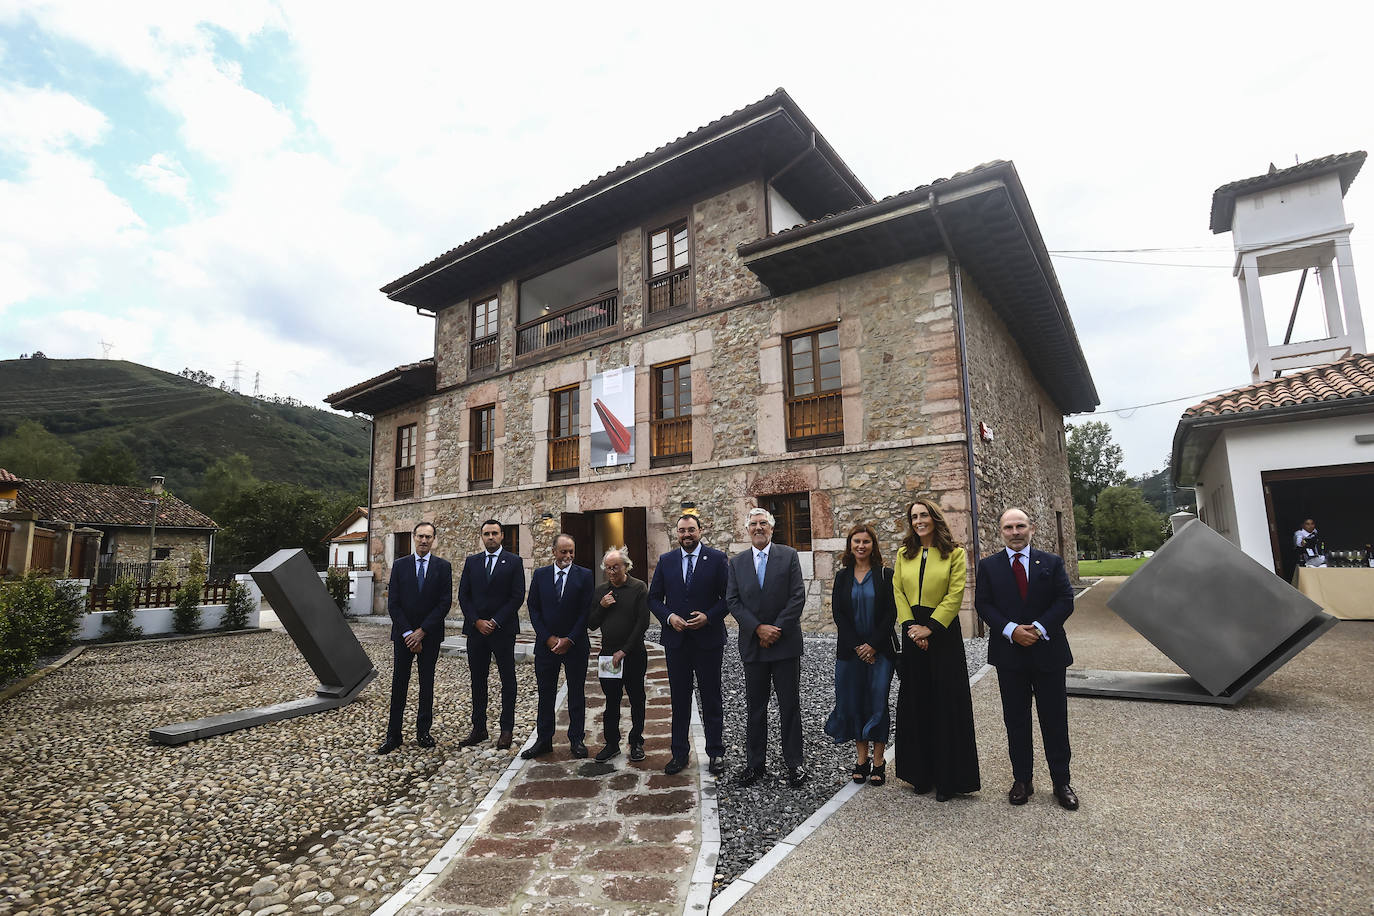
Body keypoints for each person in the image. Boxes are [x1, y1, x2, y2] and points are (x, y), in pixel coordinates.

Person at [975, 507, 1078, 811]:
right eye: (1009, 527)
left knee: (1055, 720)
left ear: (1031, 528)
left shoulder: (1051, 563)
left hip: (1048, 653)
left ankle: (1061, 782)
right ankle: (1022, 780)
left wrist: (1039, 628)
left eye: (1020, 526)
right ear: (1001, 531)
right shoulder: (989, 566)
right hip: (1010, 656)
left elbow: (1065, 600)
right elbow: (983, 604)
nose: (1015, 532)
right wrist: (1010, 630)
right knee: (1016, 721)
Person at [893, 498, 980, 800]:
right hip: (912, 632)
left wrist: (929, 627)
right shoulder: (905, 553)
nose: (919, 521)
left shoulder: (954, 554)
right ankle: (920, 774)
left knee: (945, 704)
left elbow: (956, 594)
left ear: (934, 518)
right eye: (914, 516)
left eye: (924, 515)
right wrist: (911, 628)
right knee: (917, 702)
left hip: (942, 634)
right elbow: (898, 591)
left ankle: (948, 779)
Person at [726, 507, 807, 788]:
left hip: (785, 644)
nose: (758, 528)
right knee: (755, 708)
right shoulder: (737, 563)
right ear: (747, 530)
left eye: (763, 523)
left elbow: (797, 596)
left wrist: (776, 629)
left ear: (772, 528)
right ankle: (755, 764)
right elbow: (733, 601)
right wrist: (758, 628)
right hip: (754, 645)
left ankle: (794, 764)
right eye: (753, 524)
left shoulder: (789, 556)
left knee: (790, 706)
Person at [648, 513, 730, 776]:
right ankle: (679, 753)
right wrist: (669, 617)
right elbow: (654, 599)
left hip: (708, 641)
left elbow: (728, 597)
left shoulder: (717, 559)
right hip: (677, 642)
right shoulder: (666, 561)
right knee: (680, 699)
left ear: (701, 530)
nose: (686, 535)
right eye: (682, 531)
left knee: (711, 698)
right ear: (677, 534)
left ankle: (716, 753)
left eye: (691, 530)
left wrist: (709, 616)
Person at [824, 523, 897, 787]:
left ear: (873, 546)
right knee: (853, 702)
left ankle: (879, 762)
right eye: (856, 542)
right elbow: (839, 614)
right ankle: (861, 759)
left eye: (866, 542)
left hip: (880, 652)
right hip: (850, 652)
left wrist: (873, 646)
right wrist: (858, 646)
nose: (861, 546)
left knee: (877, 702)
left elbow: (891, 613)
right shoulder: (842, 577)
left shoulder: (885, 576)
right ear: (850, 546)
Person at [377, 521, 452, 754]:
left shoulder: (443, 566)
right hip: (403, 636)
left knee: (426, 684)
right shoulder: (400, 566)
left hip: (429, 636)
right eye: (420, 536)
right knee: (399, 684)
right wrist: (409, 633)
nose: (424, 540)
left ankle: (423, 731)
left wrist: (422, 631)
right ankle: (394, 734)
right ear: (413, 537)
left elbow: (444, 603)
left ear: (434, 539)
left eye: (429, 537)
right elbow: (394, 603)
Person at [522, 533, 595, 759]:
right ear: (553, 551)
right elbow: (533, 608)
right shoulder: (541, 575)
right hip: (546, 646)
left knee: (576, 693)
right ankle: (544, 740)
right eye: (563, 551)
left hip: (575, 645)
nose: (568, 556)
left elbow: (586, 610)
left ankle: (576, 740)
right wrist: (548, 638)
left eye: (571, 551)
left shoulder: (585, 575)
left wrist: (569, 639)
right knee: (546, 695)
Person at [456, 519, 525, 750]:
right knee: (478, 680)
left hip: (502, 630)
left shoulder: (514, 562)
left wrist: (494, 621)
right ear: (481, 536)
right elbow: (464, 595)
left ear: (502, 535)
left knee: (508, 681)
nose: (491, 537)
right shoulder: (472, 562)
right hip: (476, 632)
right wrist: (476, 621)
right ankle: (479, 728)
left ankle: (506, 729)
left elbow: (517, 597)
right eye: (486, 533)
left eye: (495, 533)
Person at [588, 546, 650, 762]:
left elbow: (643, 623)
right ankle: (612, 743)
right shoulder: (600, 591)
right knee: (611, 701)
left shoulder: (639, 588)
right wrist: (602, 606)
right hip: (607, 656)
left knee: (637, 699)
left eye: (616, 567)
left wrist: (624, 650)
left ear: (626, 566)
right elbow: (592, 624)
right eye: (608, 568)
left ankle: (636, 742)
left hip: (633, 654)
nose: (612, 571)